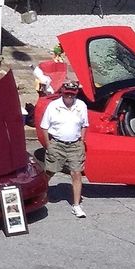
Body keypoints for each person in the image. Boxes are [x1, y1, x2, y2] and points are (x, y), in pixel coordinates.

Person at [38, 80, 90, 218]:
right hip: (57, 143)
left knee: (76, 173)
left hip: (75, 145)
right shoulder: (53, 106)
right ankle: (39, 194)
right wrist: (49, 145)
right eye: (67, 94)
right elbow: (44, 126)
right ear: (62, 93)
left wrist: (81, 141)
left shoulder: (81, 106)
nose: (69, 97)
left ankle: (77, 205)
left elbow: (85, 124)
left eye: (72, 95)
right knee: (50, 171)